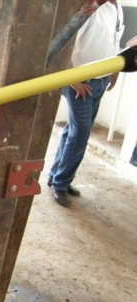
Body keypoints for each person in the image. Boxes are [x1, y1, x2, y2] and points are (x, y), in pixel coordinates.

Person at [48, 0, 124, 207]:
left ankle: (56, 175)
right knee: (80, 134)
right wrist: (74, 81)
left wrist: (114, 72)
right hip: (80, 84)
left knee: (74, 131)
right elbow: (64, 43)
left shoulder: (115, 8)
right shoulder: (89, 7)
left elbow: (115, 43)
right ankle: (60, 184)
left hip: (100, 81)